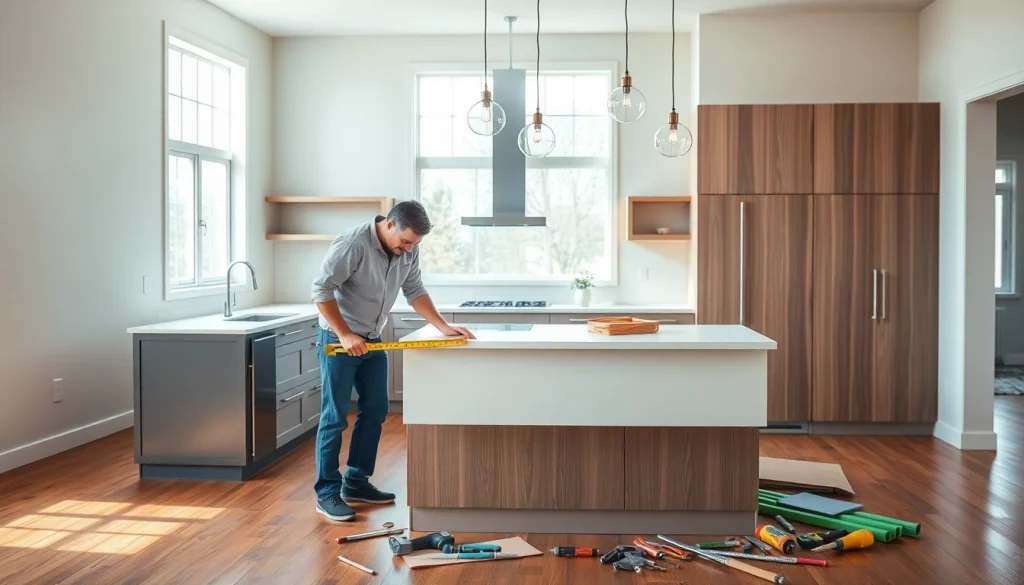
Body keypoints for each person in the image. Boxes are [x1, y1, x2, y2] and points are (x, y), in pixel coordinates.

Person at [310, 200, 474, 522]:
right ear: (389, 225)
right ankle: (326, 492)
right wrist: (344, 334)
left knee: (376, 410)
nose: (409, 249)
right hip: (338, 340)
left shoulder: (409, 249)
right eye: (406, 241)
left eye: (414, 243)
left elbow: (415, 290)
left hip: (372, 338)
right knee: (335, 416)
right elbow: (321, 290)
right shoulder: (353, 244)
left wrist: (443, 326)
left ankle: (355, 482)